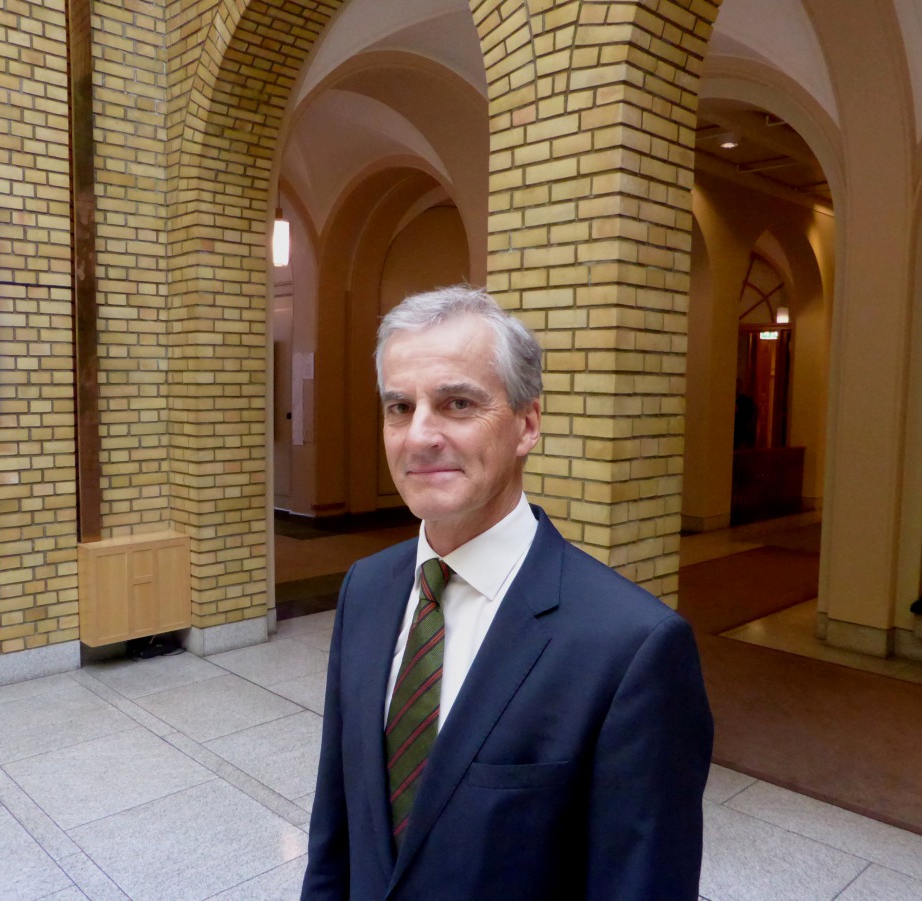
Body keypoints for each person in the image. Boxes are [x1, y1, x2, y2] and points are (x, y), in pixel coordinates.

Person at [302, 286, 713, 900]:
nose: (418, 436)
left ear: (527, 424)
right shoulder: (367, 588)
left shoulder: (632, 648)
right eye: (399, 407)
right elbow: (337, 824)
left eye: (457, 403)